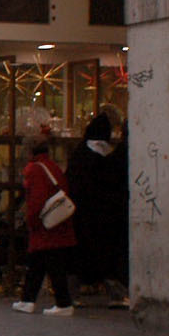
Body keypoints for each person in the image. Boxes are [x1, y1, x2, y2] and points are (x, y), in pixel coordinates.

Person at [66, 111, 129, 300]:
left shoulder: (80, 154)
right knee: (107, 257)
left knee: (80, 255)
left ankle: (72, 294)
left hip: (81, 215)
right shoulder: (111, 157)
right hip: (107, 217)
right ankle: (115, 295)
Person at [14, 133, 78, 315]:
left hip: (45, 226)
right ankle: (28, 299)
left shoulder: (34, 169)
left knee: (47, 264)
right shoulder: (52, 167)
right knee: (42, 264)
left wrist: (31, 220)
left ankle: (62, 303)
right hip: (58, 224)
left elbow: (36, 199)